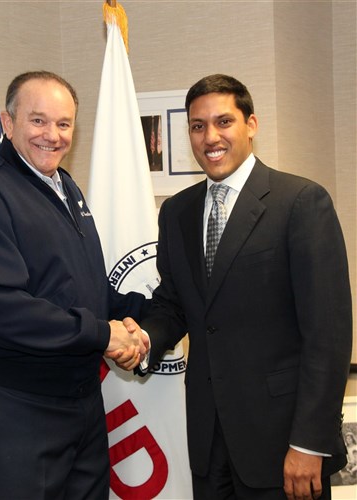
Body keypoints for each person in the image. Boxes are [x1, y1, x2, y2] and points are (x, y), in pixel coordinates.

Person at [136, 74, 352, 499]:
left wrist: (309, 443)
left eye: (223, 122)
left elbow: (327, 336)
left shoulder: (301, 203)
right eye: (198, 126)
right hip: (208, 443)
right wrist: (143, 337)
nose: (210, 137)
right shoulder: (177, 212)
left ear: (251, 124)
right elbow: (176, 304)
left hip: (283, 445)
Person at [0, 70, 149, 500]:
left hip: (80, 401)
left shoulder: (63, 186)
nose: (52, 135)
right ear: (8, 122)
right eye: (38, 120)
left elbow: (82, 288)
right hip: (15, 407)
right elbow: (3, 310)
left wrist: (142, 317)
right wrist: (102, 334)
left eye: (64, 123)